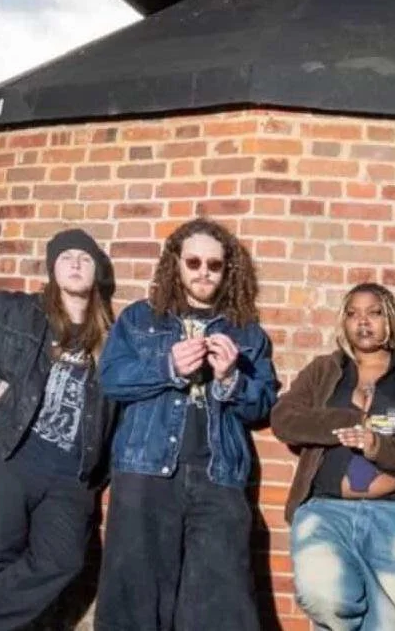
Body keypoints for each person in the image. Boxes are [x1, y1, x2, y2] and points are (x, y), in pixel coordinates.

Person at [0, 228, 116, 631]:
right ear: (53, 269)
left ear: (96, 272)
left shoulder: (112, 339)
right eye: (66, 258)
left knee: (64, 560)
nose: (76, 264)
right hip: (11, 454)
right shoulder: (18, 310)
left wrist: (101, 471)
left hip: (72, 476)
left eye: (85, 258)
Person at [94, 217, 277, 631]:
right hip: (144, 470)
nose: (203, 273)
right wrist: (168, 366)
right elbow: (111, 379)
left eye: (214, 265)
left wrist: (231, 379)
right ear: (175, 263)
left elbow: (263, 404)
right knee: (134, 596)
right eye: (193, 262)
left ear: (227, 270)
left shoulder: (247, 333)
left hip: (218, 473)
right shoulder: (140, 318)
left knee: (221, 601)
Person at [271, 283, 395, 630]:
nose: (363, 321)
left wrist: (380, 447)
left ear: (391, 320)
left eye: (374, 313)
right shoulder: (324, 370)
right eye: (353, 313)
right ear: (343, 322)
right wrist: (351, 420)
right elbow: (285, 419)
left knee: (390, 623)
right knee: (321, 597)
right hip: (327, 511)